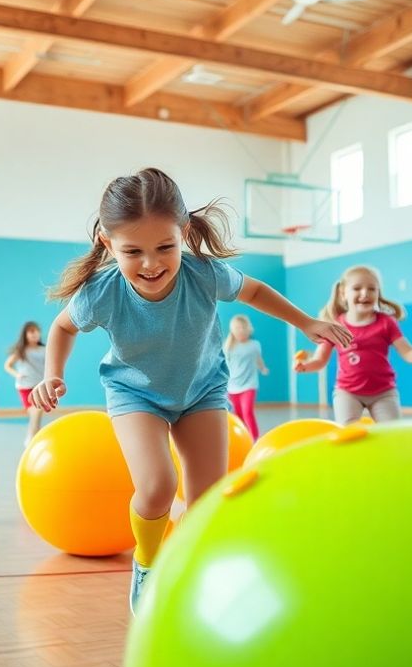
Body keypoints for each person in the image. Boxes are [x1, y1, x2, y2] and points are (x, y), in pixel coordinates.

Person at [29, 168, 351, 613]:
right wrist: (51, 373)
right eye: (132, 252)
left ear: (183, 231)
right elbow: (63, 327)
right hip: (135, 395)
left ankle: (187, 566)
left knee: (204, 504)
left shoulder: (204, 274)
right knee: (158, 486)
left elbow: (255, 291)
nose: (151, 264)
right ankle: (147, 561)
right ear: (107, 243)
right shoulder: (102, 291)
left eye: (165, 247)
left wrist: (307, 323)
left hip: (202, 390)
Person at [294, 264, 412, 424]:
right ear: (343, 293)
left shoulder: (386, 323)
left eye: (372, 289)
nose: (365, 293)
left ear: (378, 293)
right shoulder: (335, 326)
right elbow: (320, 360)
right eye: (357, 288)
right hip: (347, 392)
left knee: (391, 430)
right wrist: (305, 366)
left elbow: (408, 352)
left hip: (383, 392)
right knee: (349, 430)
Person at [224, 314, 269, 438]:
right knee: (238, 415)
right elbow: (225, 365)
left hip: (249, 384)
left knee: (247, 412)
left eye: (243, 327)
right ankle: (244, 438)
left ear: (249, 329)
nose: (241, 330)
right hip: (233, 386)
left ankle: (254, 439)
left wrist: (262, 368)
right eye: (237, 328)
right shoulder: (228, 346)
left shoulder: (254, 345)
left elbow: (258, 359)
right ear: (232, 331)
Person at [4, 321, 48, 444]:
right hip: (25, 386)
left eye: (36, 331)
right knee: (35, 411)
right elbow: (8, 365)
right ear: (25, 335)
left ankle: (33, 437)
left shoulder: (44, 350)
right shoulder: (22, 351)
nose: (34, 334)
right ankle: (32, 438)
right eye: (31, 331)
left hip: (40, 386)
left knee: (37, 413)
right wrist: (17, 374)